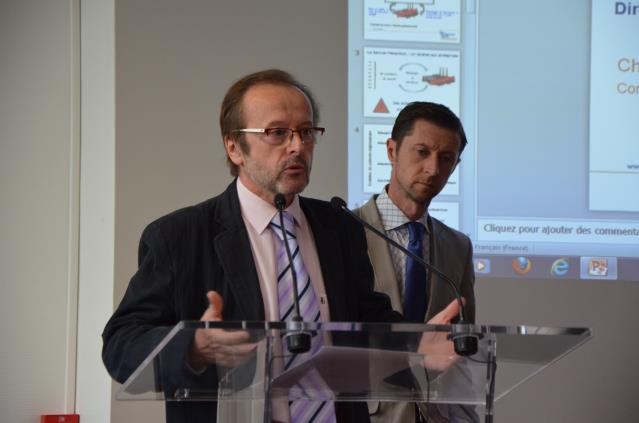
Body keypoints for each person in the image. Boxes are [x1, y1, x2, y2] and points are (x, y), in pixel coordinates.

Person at [102, 69, 416, 423]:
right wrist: (191, 346)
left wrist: (419, 344)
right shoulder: (179, 236)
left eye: (307, 132)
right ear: (234, 147)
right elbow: (120, 345)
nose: (298, 146)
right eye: (277, 133)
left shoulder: (339, 227)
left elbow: (367, 322)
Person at [355, 102, 477, 423]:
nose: (433, 168)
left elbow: (462, 351)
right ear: (392, 150)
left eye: (446, 159)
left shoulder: (458, 246)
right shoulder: (343, 231)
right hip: (365, 414)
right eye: (421, 152)